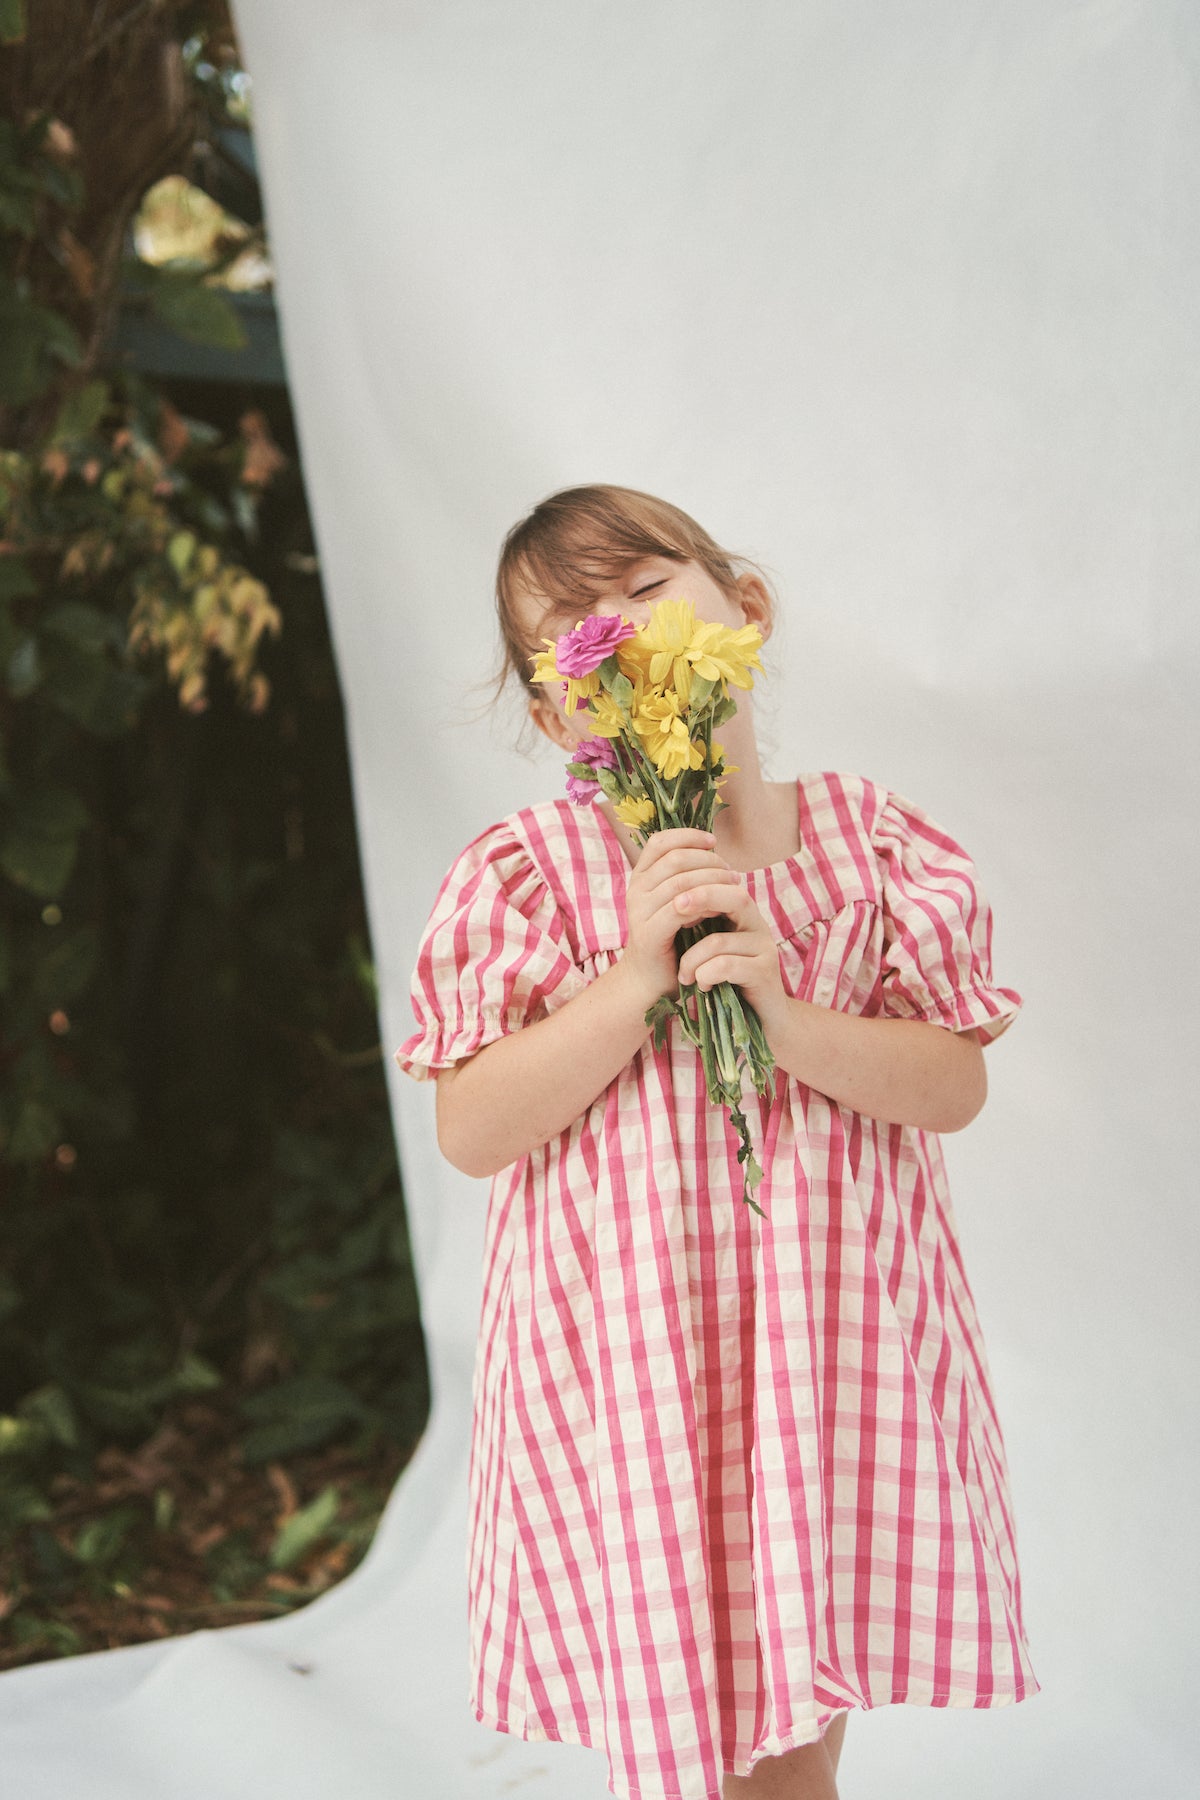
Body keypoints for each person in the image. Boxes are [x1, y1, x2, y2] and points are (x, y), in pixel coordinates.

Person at [394, 484, 1040, 1800]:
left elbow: (951, 1086)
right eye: (571, 626)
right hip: (635, 1371)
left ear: (744, 608)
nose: (616, 629)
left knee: (784, 1745)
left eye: (645, 589)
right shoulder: (530, 876)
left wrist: (779, 1015)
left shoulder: (867, 849)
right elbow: (473, 1127)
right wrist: (634, 981)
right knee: (728, 1757)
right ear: (553, 709)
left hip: (829, 1359)